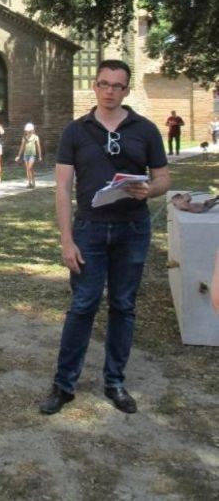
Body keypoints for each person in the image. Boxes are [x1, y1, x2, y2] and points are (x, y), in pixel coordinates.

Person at [39, 60, 170, 416]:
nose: (110, 91)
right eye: (104, 84)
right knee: (82, 305)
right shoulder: (76, 131)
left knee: (123, 306)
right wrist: (66, 240)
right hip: (90, 230)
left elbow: (163, 178)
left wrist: (150, 190)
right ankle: (64, 385)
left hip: (132, 229)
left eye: (118, 85)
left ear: (127, 90)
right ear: (95, 86)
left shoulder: (145, 129)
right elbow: (63, 188)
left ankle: (115, 382)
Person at [15, 123, 42, 188]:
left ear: (32, 130)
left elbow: (38, 146)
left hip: (32, 155)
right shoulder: (24, 138)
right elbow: (22, 147)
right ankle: (30, 183)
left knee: (29, 168)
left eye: (29, 131)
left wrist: (40, 156)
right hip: (26, 155)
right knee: (28, 169)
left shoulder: (36, 137)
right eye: (27, 131)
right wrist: (18, 155)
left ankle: (32, 182)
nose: (28, 132)